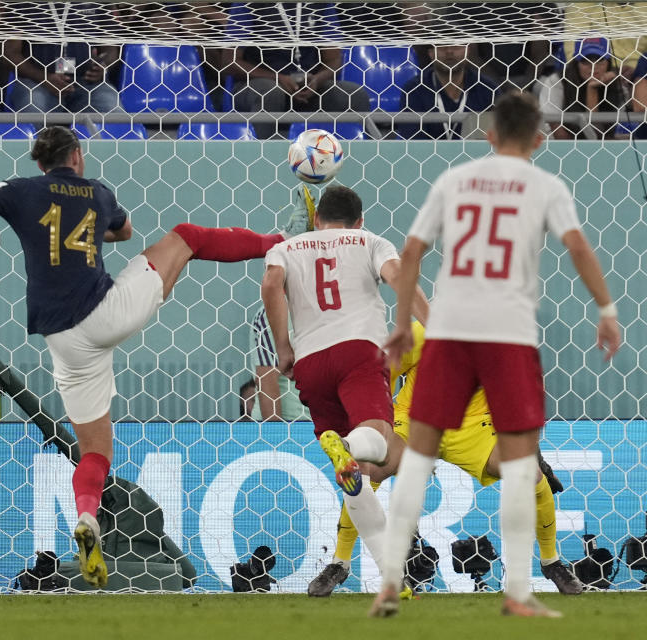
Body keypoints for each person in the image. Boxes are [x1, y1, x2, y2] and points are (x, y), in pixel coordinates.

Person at [0, 125, 312, 588]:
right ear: (77, 155)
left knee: (93, 451)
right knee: (186, 238)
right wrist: (91, 228)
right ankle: (282, 241)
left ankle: (87, 517)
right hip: (105, 313)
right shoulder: (96, 192)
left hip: (62, 338)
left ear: (39, 162)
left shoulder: (22, 191)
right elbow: (126, 232)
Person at [374, 91, 621, 618]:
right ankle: (523, 585)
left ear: (486, 135)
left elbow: (412, 251)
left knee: (417, 463)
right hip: (507, 335)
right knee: (523, 469)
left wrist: (401, 323)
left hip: (453, 333)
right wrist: (606, 308)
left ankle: (392, 581)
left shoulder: (454, 181)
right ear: (539, 138)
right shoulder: (545, 184)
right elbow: (578, 247)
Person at [308, 319, 582, 597]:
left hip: (473, 427)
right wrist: (383, 425)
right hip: (417, 419)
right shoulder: (422, 332)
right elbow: (384, 373)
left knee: (530, 476)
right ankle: (339, 563)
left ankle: (551, 562)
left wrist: (533, 452)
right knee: (367, 469)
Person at [261, 185, 429, 570]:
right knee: (380, 445)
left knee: (355, 475)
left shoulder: (287, 248)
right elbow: (398, 277)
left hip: (309, 364)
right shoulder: (370, 240)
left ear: (317, 219)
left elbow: (271, 284)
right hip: (358, 352)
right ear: (360, 220)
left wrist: (283, 347)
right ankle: (350, 446)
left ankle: (389, 571)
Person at [228, 2, 370, 139]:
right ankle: (262, 156)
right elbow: (229, 61)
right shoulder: (249, 4)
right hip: (256, 85)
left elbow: (333, 59)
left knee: (355, 95)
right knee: (270, 92)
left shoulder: (321, 4)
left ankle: (359, 157)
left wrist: (317, 80)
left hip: (308, 88)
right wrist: (278, 79)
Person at [398, 44, 499, 140]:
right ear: (431, 53)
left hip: (476, 156)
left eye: (456, 45)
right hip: (426, 156)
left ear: (467, 51)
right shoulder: (413, 90)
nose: (449, 51)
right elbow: (413, 142)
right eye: (441, 46)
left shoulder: (488, 89)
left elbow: (493, 138)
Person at [535, 38, 630, 140]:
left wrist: (592, 90)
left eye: (600, 59)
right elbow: (559, 135)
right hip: (558, 146)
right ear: (576, 63)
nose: (593, 66)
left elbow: (598, 136)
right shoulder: (557, 82)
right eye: (585, 60)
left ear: (609, 62)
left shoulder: (619, 89)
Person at [248, 306, 308, 421]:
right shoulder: (272, 312)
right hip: (289, 424)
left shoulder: (310, 308)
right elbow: (266, 379)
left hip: (316, 424)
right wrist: (276, 435)